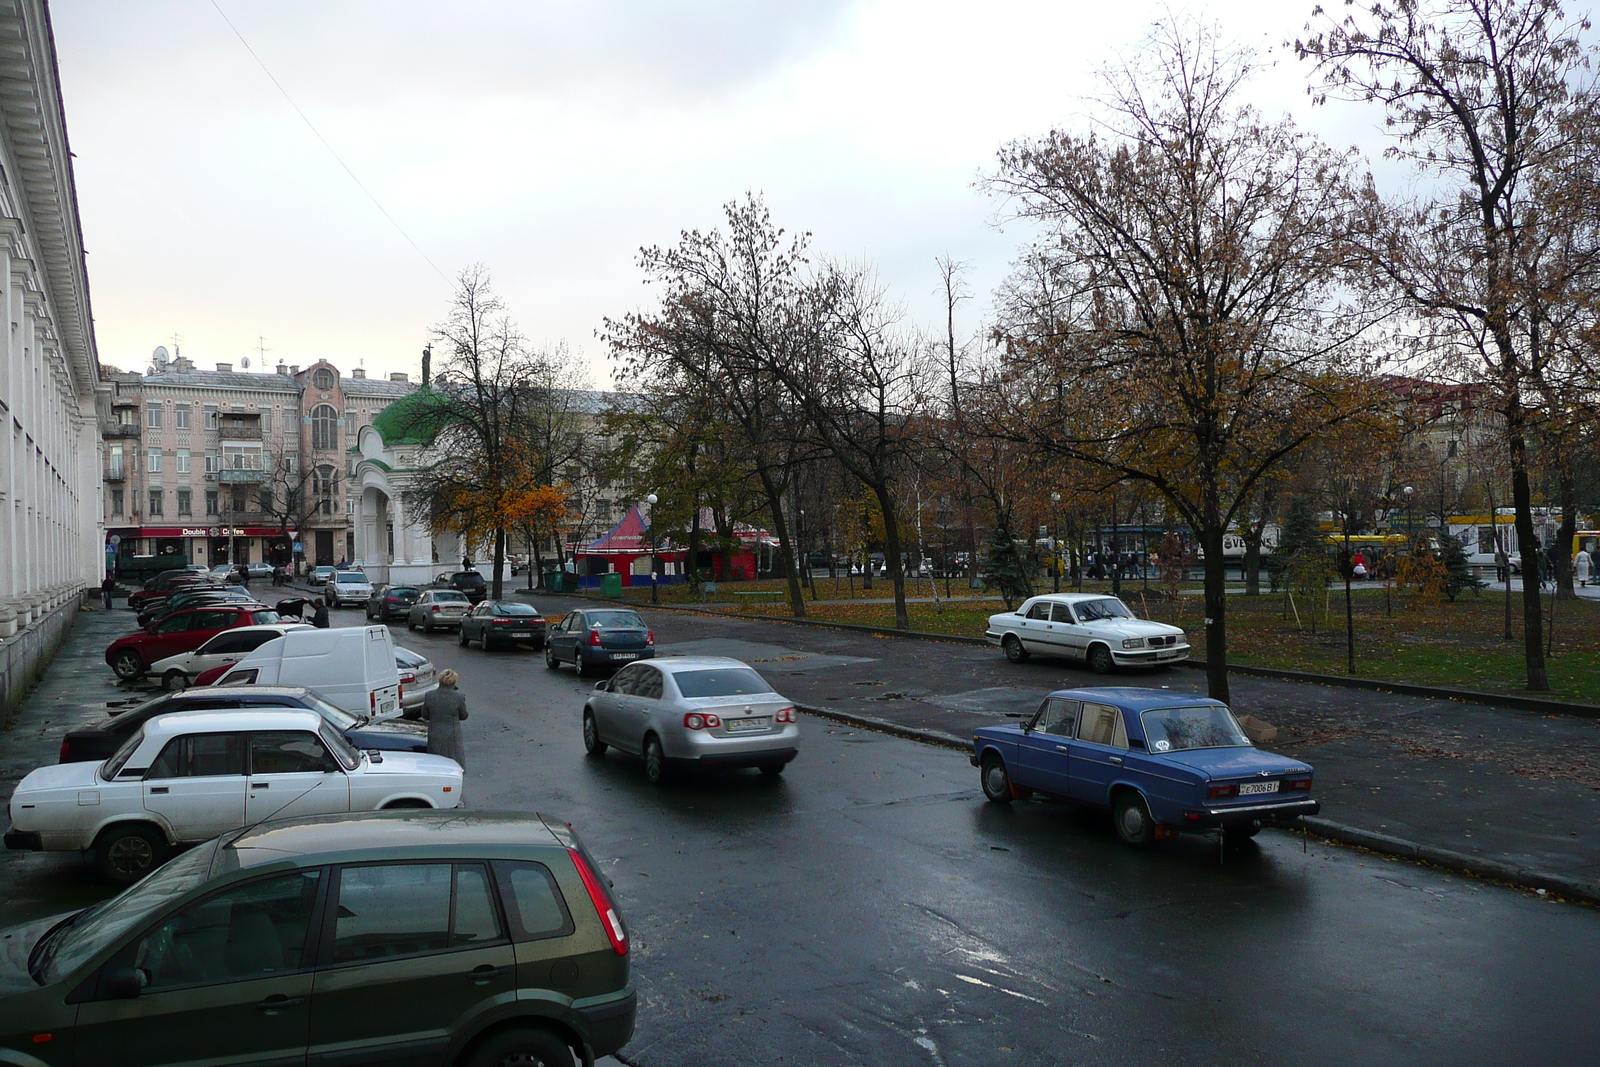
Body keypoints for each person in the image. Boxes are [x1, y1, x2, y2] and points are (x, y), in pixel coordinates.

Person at [422, 668, 468, 770]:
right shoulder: (458, 697)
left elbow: (425, 715)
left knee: (435, 761)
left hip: (435, 733)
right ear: (453, 681)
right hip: (452, 734)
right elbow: (464, 716)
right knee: (454, 761)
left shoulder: (429, 695)